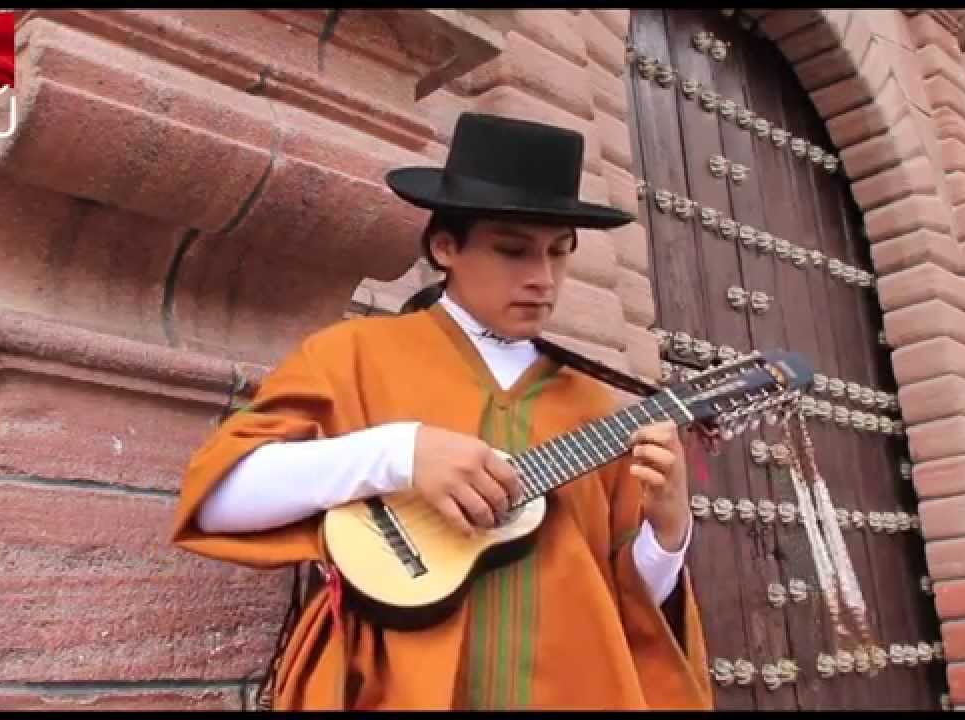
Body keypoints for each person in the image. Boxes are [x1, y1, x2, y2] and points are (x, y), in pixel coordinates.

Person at [171, 112, 713, 710]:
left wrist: (667, 530)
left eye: (559, 253)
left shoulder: (595, 405)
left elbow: (631, 601)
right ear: (445, 245)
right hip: (397, 689)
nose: (543, 279)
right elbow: (220, 500)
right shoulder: (353, 354)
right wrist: (399, 453)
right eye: (513, 251)